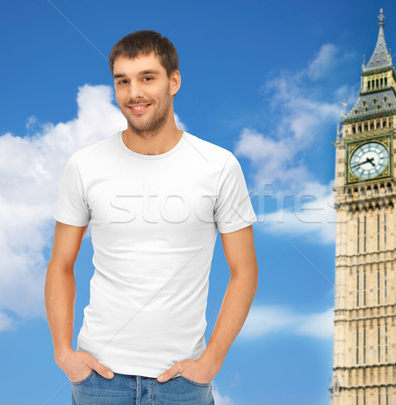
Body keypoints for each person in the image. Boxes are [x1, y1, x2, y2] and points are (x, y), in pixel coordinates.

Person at [45, 30, 258, 405]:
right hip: (99, 381)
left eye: (147, 78)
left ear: (173, 81)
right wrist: (64, 353)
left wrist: (211, 361)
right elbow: (61, 262)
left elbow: (244, 270)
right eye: (122, 81)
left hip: (183, 384)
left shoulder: (220, 166)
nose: (134, 93)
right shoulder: (84, 165)